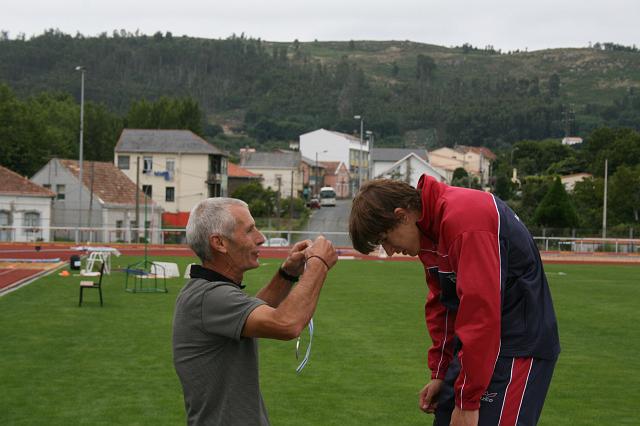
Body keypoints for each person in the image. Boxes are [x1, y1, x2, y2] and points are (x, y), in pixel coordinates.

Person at [349, 175, 560, 426]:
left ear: (402, 215)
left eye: (385, 238)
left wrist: (468, 403)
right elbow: (444, 304)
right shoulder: (430, 232)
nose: (390, 250)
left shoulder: (466, 219)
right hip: (478, 352)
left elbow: (480, 311)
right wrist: (441, 371)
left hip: (518, 348)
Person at [172, 197, 337, 426]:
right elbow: (287, 324)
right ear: (219, 243)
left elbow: (251, 314)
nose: (260, 238)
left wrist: (287, 273)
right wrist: (318, 263)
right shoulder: (211, 297)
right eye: (249, 231)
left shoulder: (208, 292)